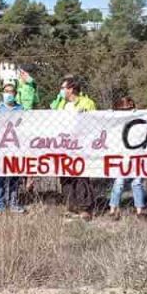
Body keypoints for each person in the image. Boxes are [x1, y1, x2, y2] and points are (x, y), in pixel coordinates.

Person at [59, 78, 97, 219]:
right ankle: (70, 206)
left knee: (81, 176)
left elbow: (95, 121)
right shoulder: (61, 105)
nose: (62, 91)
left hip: (82, 144)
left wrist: (85, 115)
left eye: (63, 88)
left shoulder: (87, 103)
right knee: (66, 177)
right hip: (64, 145)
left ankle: (84, 208)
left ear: (71, 89)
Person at [107, 96, 146, 219]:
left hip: (137, 157)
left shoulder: (139, 120)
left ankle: (140, 210)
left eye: (129, 110)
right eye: (123, 111)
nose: (126, 113)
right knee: (119, 183)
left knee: (137, 182)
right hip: (121, 158)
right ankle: (113, 209)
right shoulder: (115, 122)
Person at [0, 83, 25, 214]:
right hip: (0, 148)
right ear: (2, 93)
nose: (8, 94)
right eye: (6, 91)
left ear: (15, 94)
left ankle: (13, 203)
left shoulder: (21, 108)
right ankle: (0, 205)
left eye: (11, 92)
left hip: (15, 148)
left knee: (14, 176)